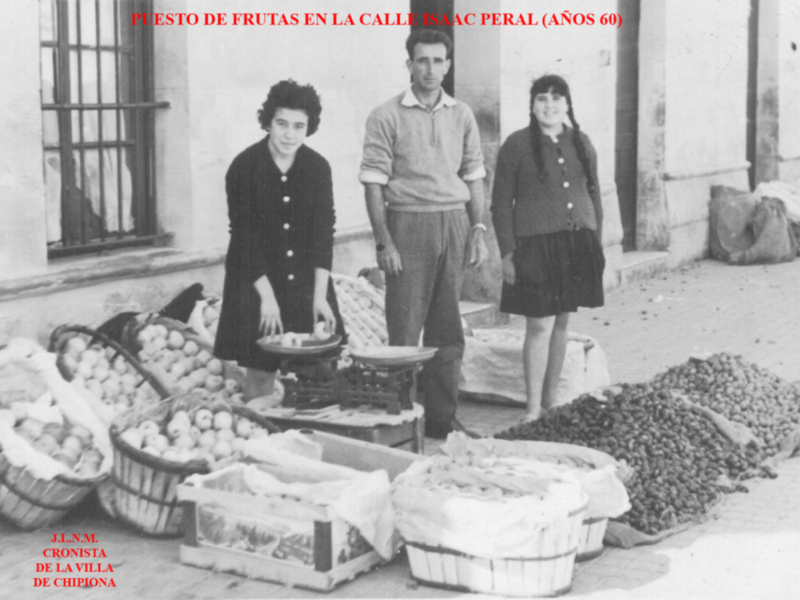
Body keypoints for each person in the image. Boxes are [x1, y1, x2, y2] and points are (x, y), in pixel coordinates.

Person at [359, 29, 488, 439]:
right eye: (422, 60)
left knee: (447, 330)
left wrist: (478, 228)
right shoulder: (386, 115)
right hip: (407, 223)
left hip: (454, 221)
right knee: (403, 331)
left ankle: (441, 422)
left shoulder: (462, 114)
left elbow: (474, 175)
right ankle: (400, 422)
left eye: (438, 61)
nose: (430, 69)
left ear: (448, 65)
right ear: (409, 64)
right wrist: (385, 241)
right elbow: (373, 182)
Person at [214, 79, 346, 401]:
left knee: (319, 372)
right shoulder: (244, 167)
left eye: (299, 126)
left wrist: (319, 296)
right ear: (268, 122)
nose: (290, 134)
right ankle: (260, 436)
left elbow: (322, 233)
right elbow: (243, 238)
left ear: (309, 128)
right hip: (255, 278)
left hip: (303, 280)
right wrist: (267, 299)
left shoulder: (317, 168)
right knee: (260, 370)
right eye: (282, 124)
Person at [491, 74, 605, 422]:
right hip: (535, 249)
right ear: (532, 105)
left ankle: (550, 401)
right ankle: (531, 409)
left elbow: (595, 195)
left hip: (575, 244)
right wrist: (508, 253)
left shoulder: (581, 142)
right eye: (542, 98)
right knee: (538, 326)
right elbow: (499, 204)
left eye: (557, 98)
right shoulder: (516, 145)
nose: (549, 105)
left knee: (561, 325)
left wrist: (595, 244)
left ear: (567, 105)